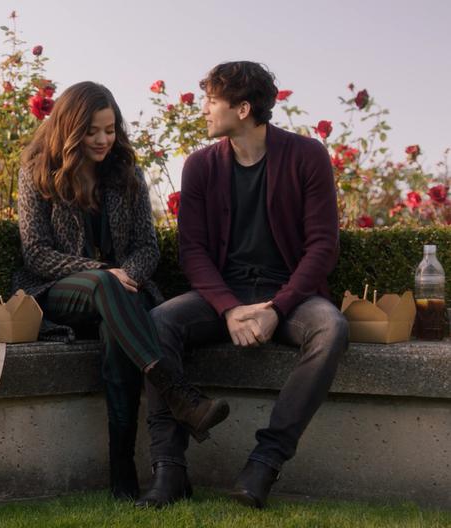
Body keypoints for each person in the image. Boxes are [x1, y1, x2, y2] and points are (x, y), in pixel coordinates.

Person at [137, 62, 349, 509]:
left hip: (290, 295)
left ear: (244, 108)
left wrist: (277, 308)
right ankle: (168, 469)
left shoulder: (307, 156)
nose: (205, 110)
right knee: (157, 324)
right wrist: (230, 309)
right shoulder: (199, 166)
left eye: (212, 101)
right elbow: (192, 251)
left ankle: (264, 463)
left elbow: (321, 247)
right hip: (224, 293)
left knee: (331, 329)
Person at [13, 81, 230, 501]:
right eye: (92, 131)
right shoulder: (37, 170)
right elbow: (36, 253)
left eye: (110, 130)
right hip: (59, 291)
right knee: (105, 285)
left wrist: (124, 273)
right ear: (70, 129)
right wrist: (103, 271)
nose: (103, 140)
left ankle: (123, 478)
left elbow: (149, 247)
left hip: (121, 295)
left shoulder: (127, 174)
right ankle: (175, 390)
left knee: (118, 331)